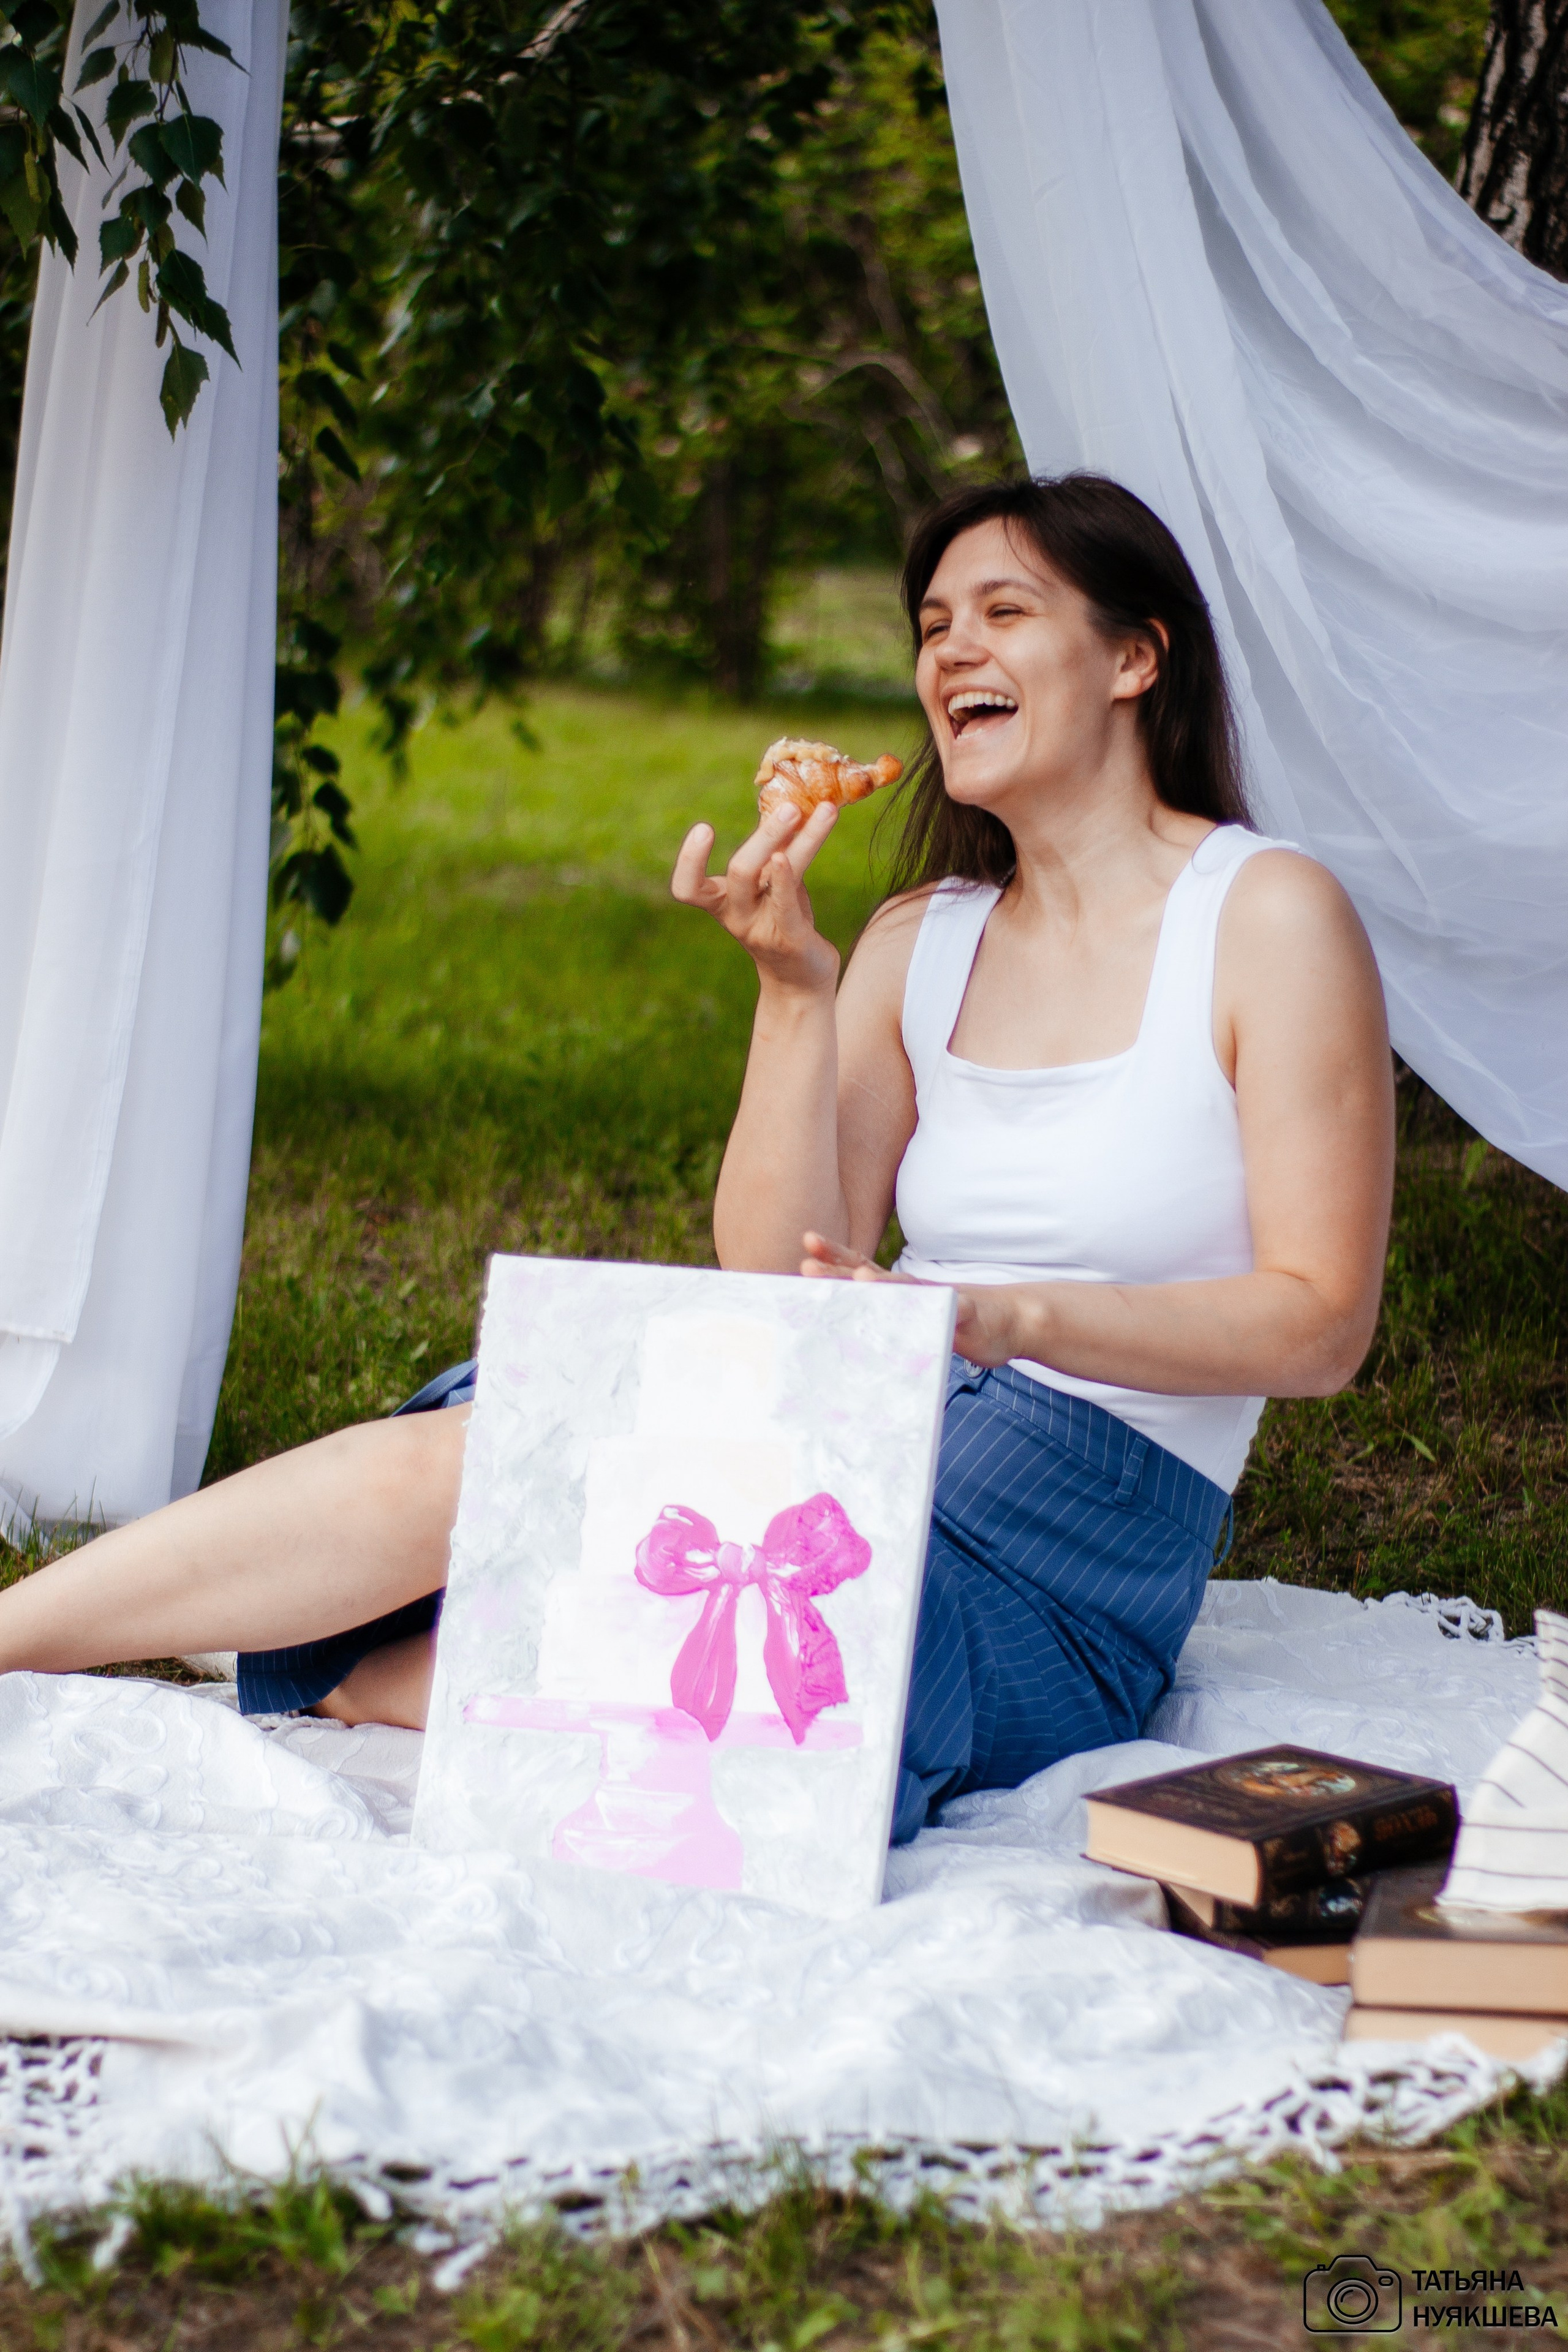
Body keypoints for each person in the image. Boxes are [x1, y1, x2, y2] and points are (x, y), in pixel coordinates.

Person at [0, 474, 1394, 1842]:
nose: (948, 648)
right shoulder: (926, 938)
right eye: (927, 624)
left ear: (1136, 655)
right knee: (500, 1456)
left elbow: (1319, 1323)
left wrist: (1001, 1321)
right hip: (865, 1414)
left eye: (1001, 611)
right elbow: (773, 1272)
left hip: (1059, 1546)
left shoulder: (1266, 916)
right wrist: (792, 994)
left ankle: (350, 1672)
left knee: (773, 1676)